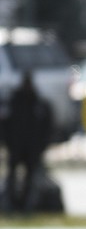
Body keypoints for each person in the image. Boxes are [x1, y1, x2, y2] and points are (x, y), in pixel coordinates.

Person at [3, 71, 53, 213]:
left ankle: (27, 206)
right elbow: (5, 125)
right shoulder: (14, 101)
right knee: (12, 177)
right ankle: (11, 205)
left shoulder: (38, 102)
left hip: (31, 148)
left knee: (30, 178)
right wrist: (8, 143)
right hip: (16, 147)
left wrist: (41, 146)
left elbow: (47, 126)